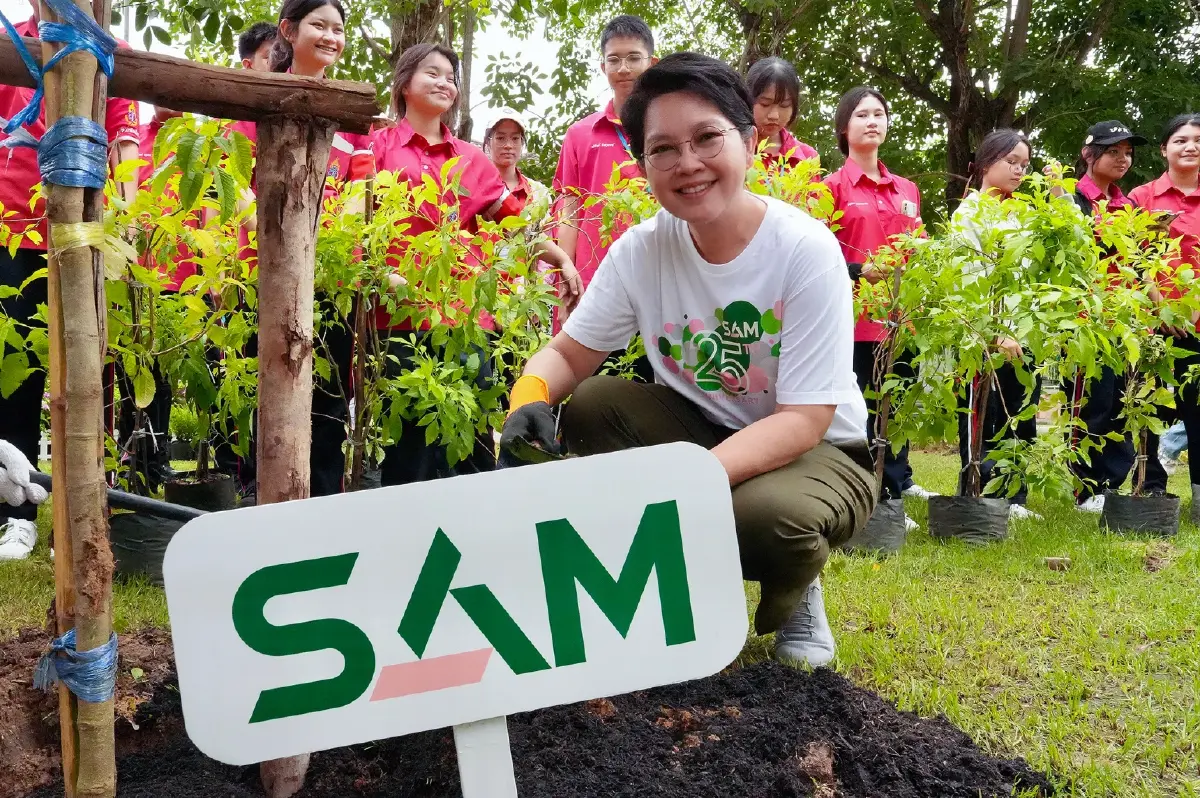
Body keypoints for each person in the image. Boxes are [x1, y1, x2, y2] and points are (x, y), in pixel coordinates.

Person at [500, 53, 875, 668]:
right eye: (663, 149)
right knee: (592, 404)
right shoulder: (641, 251)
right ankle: (667, 584)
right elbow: (570, 353)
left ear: (749, 142)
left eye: (707, 138)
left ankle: (797, 587)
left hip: (822, 451)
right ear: (643, 164)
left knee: (768, 518)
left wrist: (685, 485)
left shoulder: (804, 250)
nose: (688, 164)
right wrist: (528, 399)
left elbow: (806, 417)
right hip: (703, 428)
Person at [370, 43, 578, 487]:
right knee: (410, 447)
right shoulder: (377, 147)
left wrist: (560, 257)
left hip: (464, 319)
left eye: (451, 76)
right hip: (398, 316)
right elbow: (357, 221)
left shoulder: (471, 158)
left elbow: (515, 225)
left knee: (474, 440)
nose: (444, 82)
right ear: (405, 82)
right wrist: (378, 273)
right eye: (432, 73)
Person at [0, 1, 140, 560]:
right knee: (15, 378)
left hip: (88, 226)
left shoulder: (109, 48)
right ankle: (17, 511)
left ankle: (88, 511)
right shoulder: (13, 43)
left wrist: (130, 221)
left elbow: (125, 141)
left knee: (89, 374)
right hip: (14, 226)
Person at [224, 0, 375, 499]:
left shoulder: (353, 111)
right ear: (289, 29)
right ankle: (257, 497)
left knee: (329, 396)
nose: (331, 36)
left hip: (329, 277)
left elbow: (359, 195)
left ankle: (324, 504)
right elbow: (233, 180)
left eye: (338, 29)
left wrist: (319, 245)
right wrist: (279, 237)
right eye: (319, 25)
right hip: (261, 272)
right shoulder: (256, 98)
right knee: (262, 385)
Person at [825, 86, 936, 525]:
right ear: (844, 128)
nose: (872, 121)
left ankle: (897, 480)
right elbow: (819, 253)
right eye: (861, 115)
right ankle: (873, 493)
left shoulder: (906, 188)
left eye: (879, 113)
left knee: (899, 403)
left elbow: (920, 247)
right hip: (855, 320)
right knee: (864, 408)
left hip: (902, 318)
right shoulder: (830, 187)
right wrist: (858, 272)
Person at [553, 15, 657, 381]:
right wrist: (564, 282)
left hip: (662, 285)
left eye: (634, 57)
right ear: (602, 66)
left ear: (652, 63)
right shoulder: (581, 134)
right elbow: (570, 209)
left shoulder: (671, 127)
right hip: (597, 286)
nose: (624, 68)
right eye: (614, 59)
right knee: (590, 393)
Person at [951, 129, 1043, 520]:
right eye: (1011, 162)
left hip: (1022, 334)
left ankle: (1013, 497)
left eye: (1024, 164)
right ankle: (980, 493)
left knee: (1020, 413)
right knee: (983, 415)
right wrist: (990, 333)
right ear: (987, 163)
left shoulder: (1022, 215)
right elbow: (967, 280)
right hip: (984, 337)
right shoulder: (968, 214)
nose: (1019, 171)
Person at [1062, 121, 1148, 512]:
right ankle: (1086, 488)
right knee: (1090, 402)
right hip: (1084, 320)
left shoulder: (1127, 205)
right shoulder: (1070, 199)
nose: (1123, 159)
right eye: (1114, 151)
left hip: (1124, 319)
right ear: (1089, 154)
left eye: (1127, 152)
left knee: (1121, 400)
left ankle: (1111, 483)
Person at [1130, 113, 1200, 502]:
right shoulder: (1142, 198)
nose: (1190, 146)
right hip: (1151, 324)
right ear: (1164, 149)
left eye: (1197, 140)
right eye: (1180, 140)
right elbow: (1134, 258)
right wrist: (1162, 307)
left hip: (1198, 322)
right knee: (1149, 406)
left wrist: (1192, 306)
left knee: (1198, 409)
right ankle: (1150, 488)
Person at [745, 56, 818, 167]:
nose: (774, 116)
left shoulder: (807, 157)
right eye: (765, 104)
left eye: (784, 105)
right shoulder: (733, 148)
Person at [483, 108, 550, 219]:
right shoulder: (476, 187)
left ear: (522, 142)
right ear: (488, 142)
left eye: (515, 138)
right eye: (500, 138)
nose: (508, 145)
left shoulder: (539, 192)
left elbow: (545, 233)